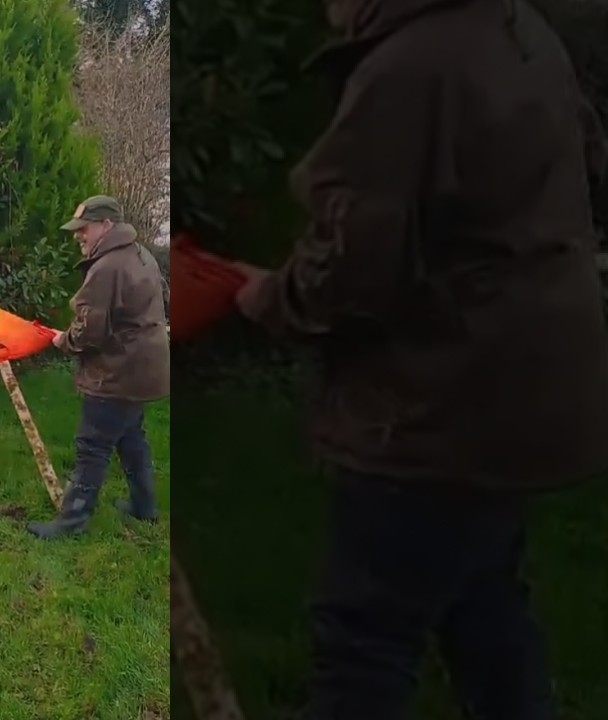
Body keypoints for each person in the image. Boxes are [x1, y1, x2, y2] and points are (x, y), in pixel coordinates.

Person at [233, 0, 608, 717]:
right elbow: (585, 165)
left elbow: (352, 267)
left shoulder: (407, 69)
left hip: (439, 406)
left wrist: (265, 299)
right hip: (525, 394)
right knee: (486, 607)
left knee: (366, 638)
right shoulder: (520, 31)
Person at [26, 195, 170, 540]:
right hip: (147, 367)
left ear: (107, 225)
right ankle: (145, 507)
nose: (79, 235)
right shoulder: (142, 255)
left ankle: (71, 523)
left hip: (118, 372)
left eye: (84, 229)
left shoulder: (106, 267)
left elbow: (90, 331)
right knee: (132, 438)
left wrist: (65, 341)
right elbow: (163, 297)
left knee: (93, 444)